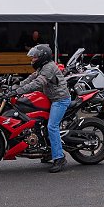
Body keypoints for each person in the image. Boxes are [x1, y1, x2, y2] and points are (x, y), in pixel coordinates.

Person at [10, 44, 71, 173]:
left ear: (43, 57)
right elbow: (32, 78)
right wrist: (17, 86)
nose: (32, 59)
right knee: (39, 122)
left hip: (60, 100)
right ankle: (48, 151)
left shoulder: (48, 68)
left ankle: (59, 158)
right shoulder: (43, 67)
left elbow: (38, 82)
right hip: (50, 98)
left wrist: (19, 91)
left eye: (35, 57)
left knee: (52, 127)